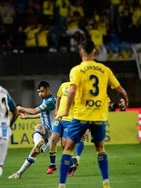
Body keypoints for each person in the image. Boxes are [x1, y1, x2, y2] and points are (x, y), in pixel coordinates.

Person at [57, 40, 129, 188]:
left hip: (81, 116)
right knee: (100, 149)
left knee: (68, 148)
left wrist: (64, 110)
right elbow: (120, 90)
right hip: (98, 117)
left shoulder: (76, 70)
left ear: (80, 53)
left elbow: (71, 91)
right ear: (95, 53)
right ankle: (106, 182)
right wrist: (125, 100)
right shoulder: (105, 70)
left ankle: (62, 185)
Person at [8, 81, 56, 179]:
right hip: (46, 129)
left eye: (42, 91)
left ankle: (19, 173)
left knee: (34, 151)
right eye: (38, 91)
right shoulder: (46, 100)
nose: (40, 94)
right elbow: (41, 114)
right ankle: (39, 143)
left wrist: (21, 108)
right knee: (38, 126)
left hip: (52, 133)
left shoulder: (50, 101)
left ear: (48, 89)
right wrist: (27, 117)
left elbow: (35, 110)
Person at [47, 81, 87, 176]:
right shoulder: (63, 85)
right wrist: (57, 110)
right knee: (53, 139)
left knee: (65, 145)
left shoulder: (80, 90)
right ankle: (52, 165)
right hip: (59, 118)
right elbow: (58, 98)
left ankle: (72, 165)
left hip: (70, 120)